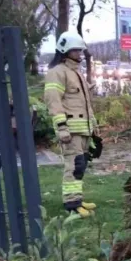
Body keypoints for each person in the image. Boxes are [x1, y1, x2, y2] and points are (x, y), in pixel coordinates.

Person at [43, 31, 99, 218]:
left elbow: (85, 104)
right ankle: (72, 204)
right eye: (76, 50)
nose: (80, 54)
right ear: (65, 50)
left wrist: (94, 126)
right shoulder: (57, 73)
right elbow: (53, 102)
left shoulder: (75, 73)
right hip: (70, 131)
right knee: (73, 166)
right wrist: (61, 127)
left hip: (82, 130)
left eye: (80, 50)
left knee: (80, 165)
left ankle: (77, 199)